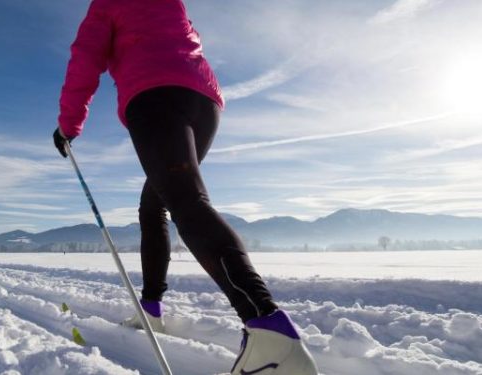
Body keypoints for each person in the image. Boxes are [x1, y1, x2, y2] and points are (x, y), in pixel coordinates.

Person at [53, 1, 318, 374]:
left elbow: (85, 59)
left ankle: (269, 330)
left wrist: (68, 126)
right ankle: (151, 309)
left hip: (154, 95)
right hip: (203, 98)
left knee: (187, 202)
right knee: (155, 203)